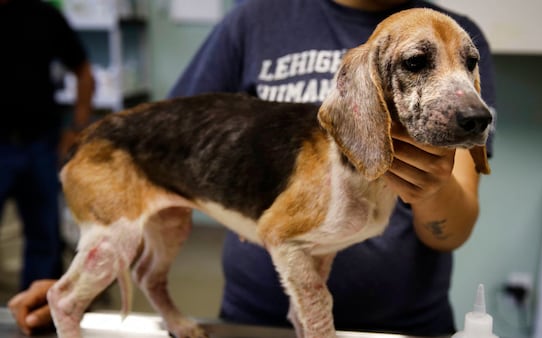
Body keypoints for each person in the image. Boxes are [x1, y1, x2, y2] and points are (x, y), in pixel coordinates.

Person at [8, 0, 495, 336]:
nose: (467, 102)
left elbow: (453, 229)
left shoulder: (456, 31)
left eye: (465, 64)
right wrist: (85, 270)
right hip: (250, 317)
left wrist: (432, 187)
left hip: (407, 323)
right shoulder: (254, 19)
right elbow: (170, 132)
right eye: (416, 62)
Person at [1, 0, 93, 310]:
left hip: (39, 143)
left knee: (44, 240)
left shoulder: (44, 16)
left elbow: (84, 72)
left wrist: (77, 128)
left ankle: (37, 310)